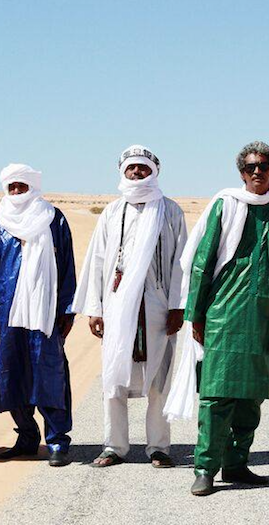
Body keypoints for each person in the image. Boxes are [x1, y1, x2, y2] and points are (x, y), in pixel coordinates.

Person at [167, 141, 269, 496]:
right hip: (222, 319)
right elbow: (201, 264)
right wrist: (195, 315)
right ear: (241, 173)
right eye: (250, 168)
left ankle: (236, 464)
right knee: (217, 397)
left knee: (251, 399)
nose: (257, 172)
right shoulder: (225, 207)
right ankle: (205, 468)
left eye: (263, 166)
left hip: (264, 322)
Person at [73, 145, 188, 468]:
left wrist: (178, 306)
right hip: (117, 304)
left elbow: (182, 262)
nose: (137, 173)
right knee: (113, 378)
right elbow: (97, 260)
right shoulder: (112, 212)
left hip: (157, 306)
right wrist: (94, 307)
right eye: (132, 168)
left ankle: (159, 447)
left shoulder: (170, 211)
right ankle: (114, 446)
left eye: (143, 168)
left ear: (155, 171)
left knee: (159, 380)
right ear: (122, 172)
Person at [0, 164, 77, 467]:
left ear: (33, 187)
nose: (16, 192)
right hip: (8, 313)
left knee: (49, 375)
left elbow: (67, 266)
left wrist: (68, 308)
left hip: (45, 313)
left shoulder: (54, 219)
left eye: (21, 187)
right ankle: (27, 436)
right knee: (11, 374)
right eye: (11, 187)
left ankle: (56, 441)